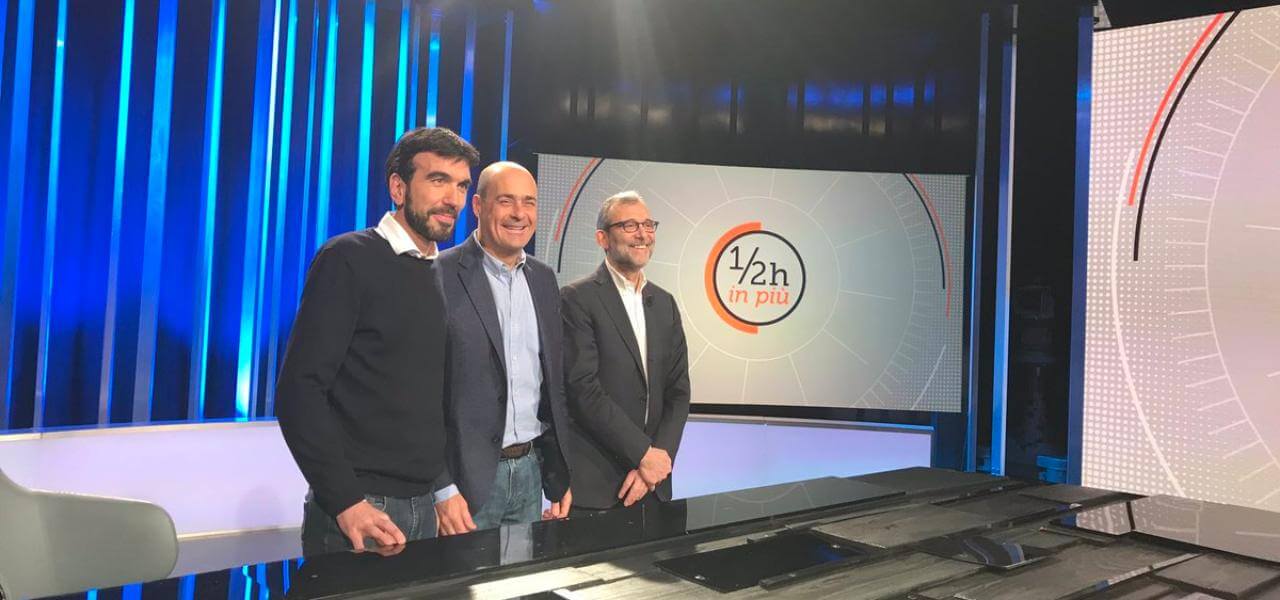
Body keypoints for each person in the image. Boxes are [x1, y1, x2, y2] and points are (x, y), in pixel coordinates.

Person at [275, 127, 478, 556]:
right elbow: (299, 391)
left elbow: (423, 401)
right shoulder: (347, 258)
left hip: (425, 506)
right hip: (361, 510)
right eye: (438, 180)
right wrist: (346, 501)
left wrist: (442, 487)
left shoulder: (439, 272)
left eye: (462, 185)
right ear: (398, 188)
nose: (453, 199)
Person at [432, 162, 573, 535]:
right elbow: (420, 396)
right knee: (462, 575)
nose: (519, 214)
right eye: (506, 201)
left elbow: (550, 386)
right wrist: (442, 487)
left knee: (521, 575)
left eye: (529, 202)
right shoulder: (439, 274)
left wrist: (558, 474)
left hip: (529, 473)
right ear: (478, 206)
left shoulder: (544, 279)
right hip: (463, 484)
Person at [560, 190, 690, 514]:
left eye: (648, 225)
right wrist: (643, 454)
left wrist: (657, 461)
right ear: (602, 238)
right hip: (598, 486)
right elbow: (583, 390)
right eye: (630, 225)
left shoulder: (664, 303)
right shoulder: (576, 299)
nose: (642, 234)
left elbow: (678, 391)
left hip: (654, 484)